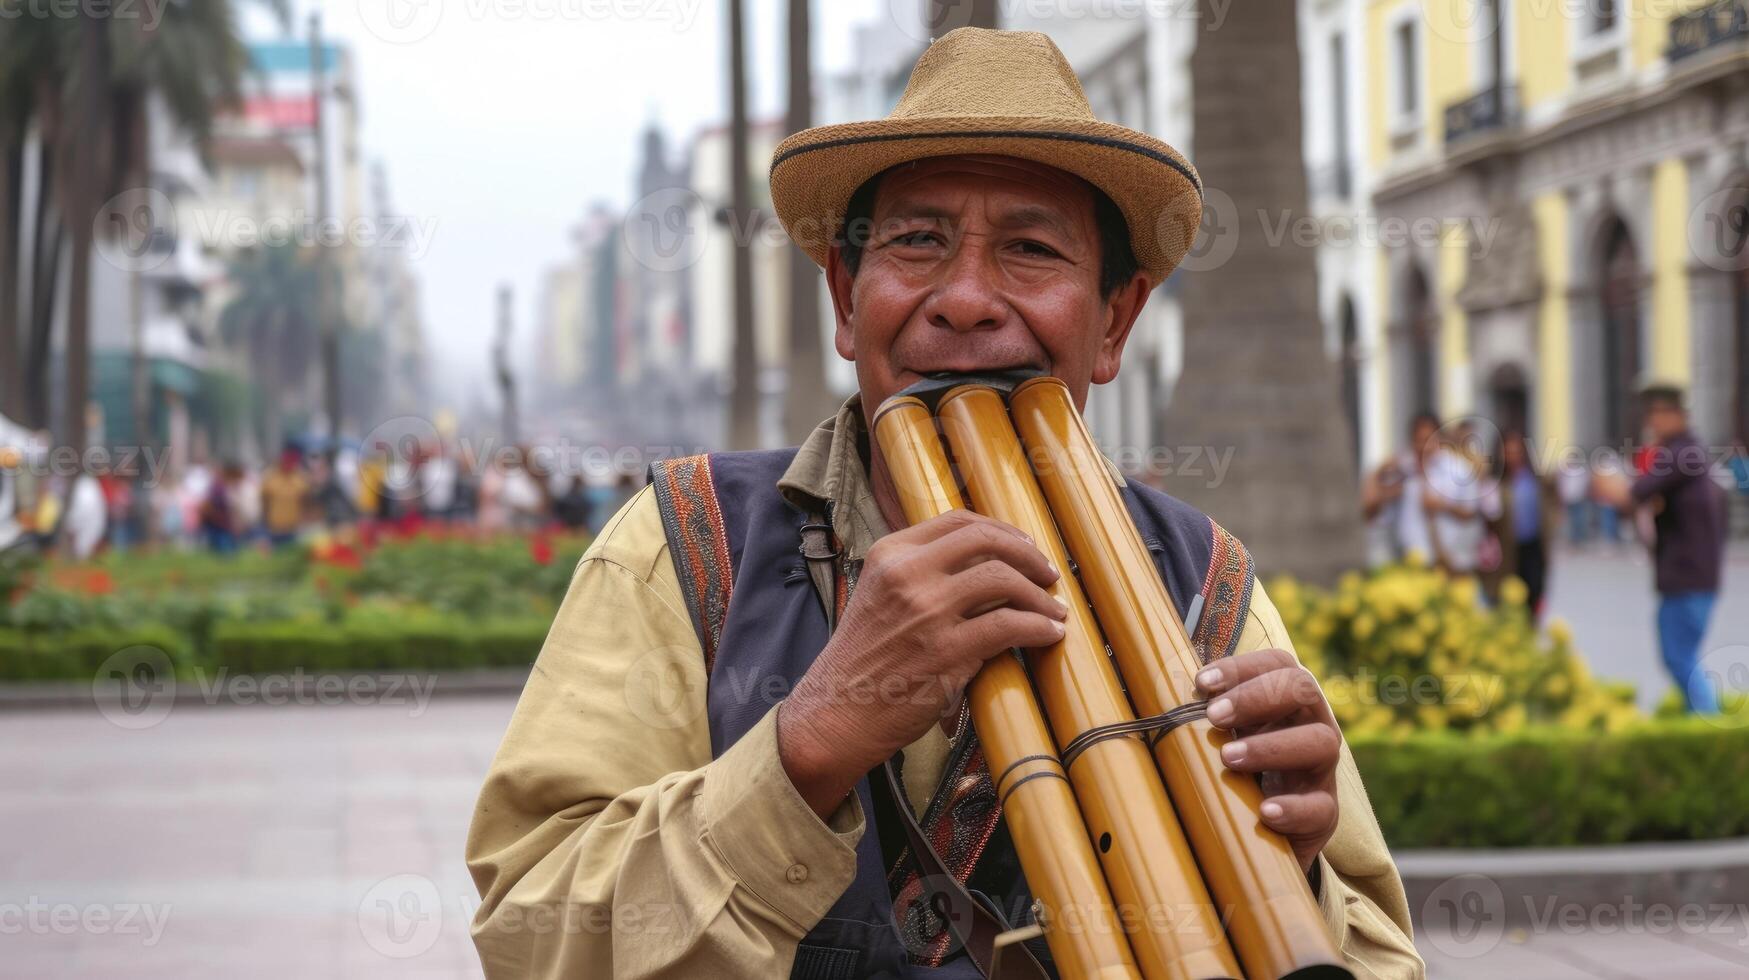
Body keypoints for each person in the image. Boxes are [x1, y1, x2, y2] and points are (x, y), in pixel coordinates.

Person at [466, 29, 1421, 980]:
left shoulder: (1205, 585)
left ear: (1113, 322)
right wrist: (808, 742)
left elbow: (1382, 957)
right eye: (918, 241)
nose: (965, 300)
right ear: (845, 300)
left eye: (1031, 249)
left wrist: (1280, 874)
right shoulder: (682, 547)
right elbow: (527, 933)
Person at [1594, 382, 1730, 713]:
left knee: (1678, 656)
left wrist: (1607, 485)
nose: (1651, 422)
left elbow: (1633, 495)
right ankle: (1699, 720)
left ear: (1675, 414)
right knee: (1680, 656)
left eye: (1656, 413)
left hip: (1687, 577)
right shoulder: (1687, 451)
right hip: (1692, 575)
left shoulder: (1680, 453)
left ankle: (1707, 724)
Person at [1362, 412, 1493, 574]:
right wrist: (1380, 474)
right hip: (1410, 563)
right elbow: (1371, 511)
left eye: (1428, 440)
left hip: (1451, 563)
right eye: (1418, 440)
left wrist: (1443, 506)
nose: (1423, 447)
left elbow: (1471, 513)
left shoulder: (1459, 470)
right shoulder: (1403, 470)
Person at [1486, 429, 1560, 617]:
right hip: (1508, 550)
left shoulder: (1536, 479)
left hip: (1533, 545)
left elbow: (1553, 501)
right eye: (1508, 451)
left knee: (1535, 590)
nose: (1512, 456)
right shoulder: (1496, 483)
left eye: (1516, 450)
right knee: (1509, 595)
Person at [260, 446, 310, 549]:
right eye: (286, 462)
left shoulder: (300, 479)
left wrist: (304, 520)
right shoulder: (271, 478)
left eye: (291, 463)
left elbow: (306, 500)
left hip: (293, 527)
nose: (288, 465)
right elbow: (264, 501)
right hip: (273, 527)